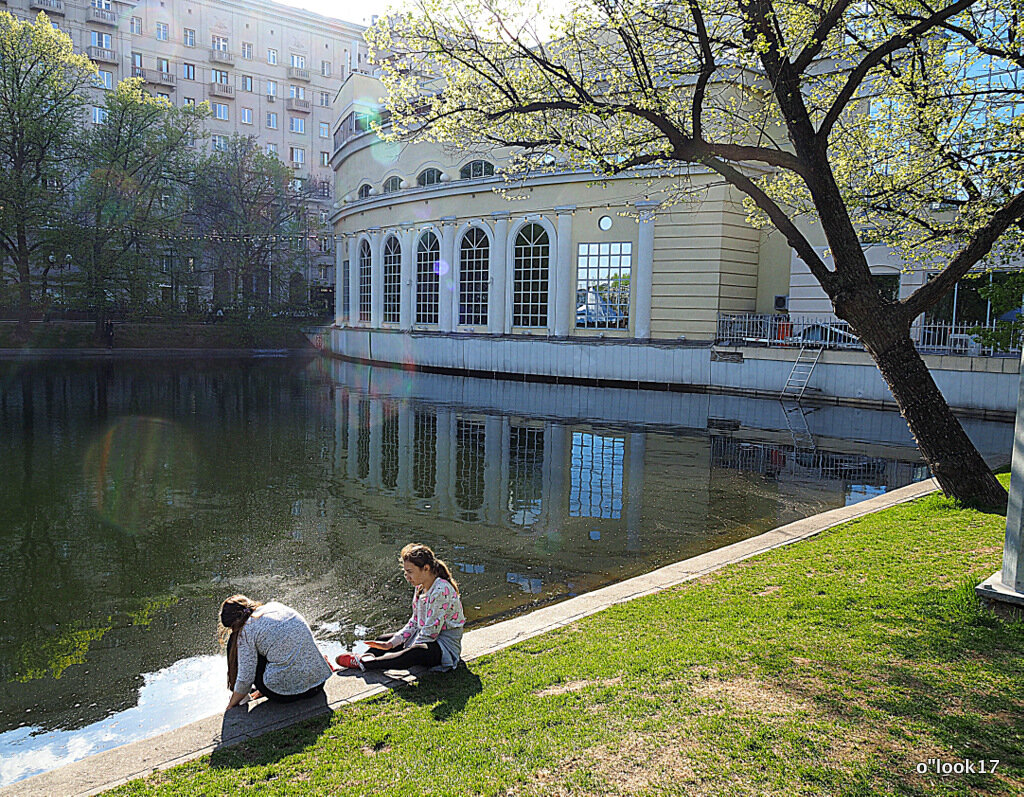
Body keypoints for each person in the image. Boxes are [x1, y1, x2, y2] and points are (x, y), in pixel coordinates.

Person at [336, 543, 466, 672]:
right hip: (424, 637)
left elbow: (431, 631)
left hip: (443, 646)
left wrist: (406, 650)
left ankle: (366, 663)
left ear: (426, 568)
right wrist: (391, 643)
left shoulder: (441, 590)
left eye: (410, 572)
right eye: (405, 573)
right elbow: (415, 621)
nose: (407, 577)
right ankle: (363, 658)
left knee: (415, 653)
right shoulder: (420, 587)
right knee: (383, 640)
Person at [219, 594, 333, 710]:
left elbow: (245, 679)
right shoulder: (276, 607)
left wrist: (231, 706)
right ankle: (272, 683)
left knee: (241, 649)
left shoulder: (247, 630)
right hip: (318, 682)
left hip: (288, 694)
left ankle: (244, 698)